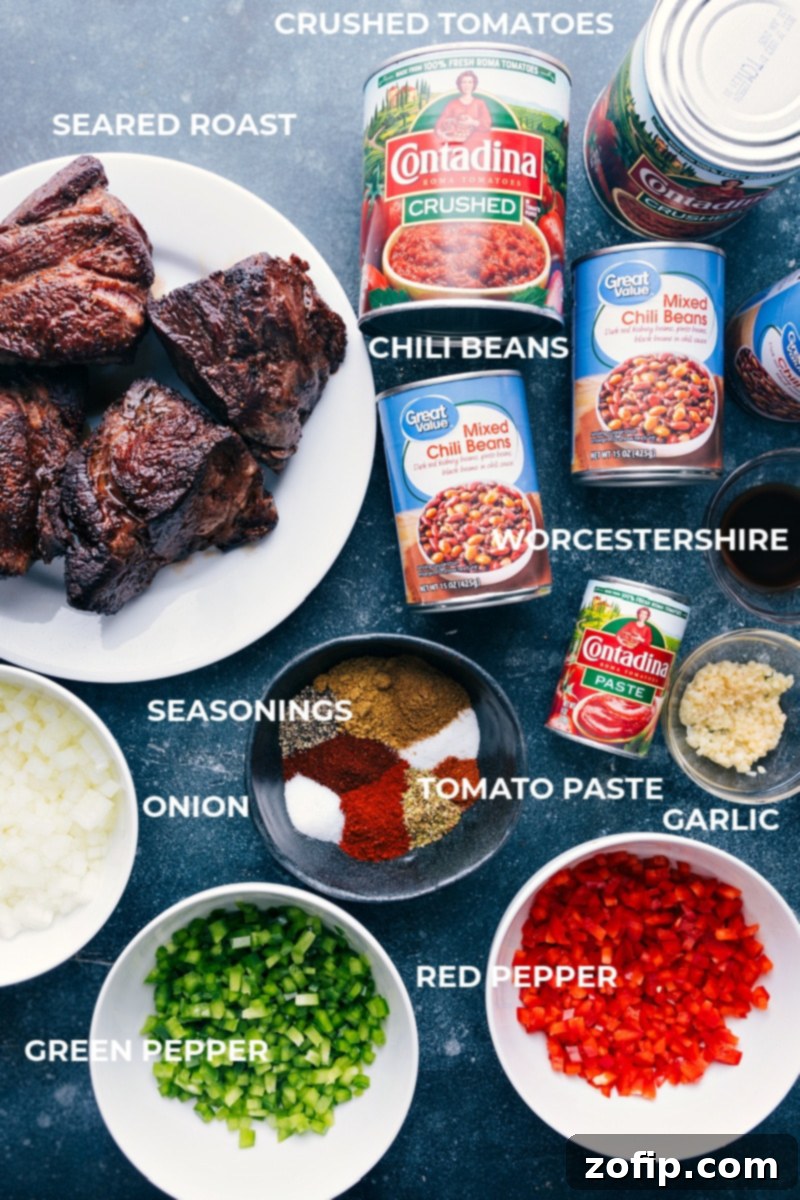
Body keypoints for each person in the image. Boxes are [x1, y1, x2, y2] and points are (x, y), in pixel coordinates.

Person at [434, 71, 491, 148]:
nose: (467, 85)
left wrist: (472, 122)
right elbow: (440, 124)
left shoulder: (480, 103)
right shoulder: (452, 104)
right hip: (455, 145)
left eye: (470, 82)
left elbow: (487, 124)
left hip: (477, 145)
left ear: (474, 84)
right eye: (464, 82)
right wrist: (446, 137)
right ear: (460, 85)